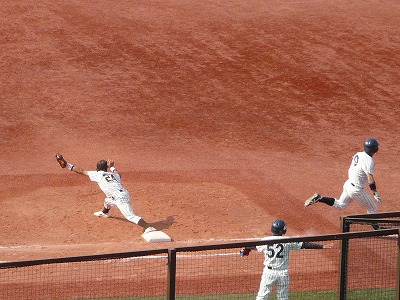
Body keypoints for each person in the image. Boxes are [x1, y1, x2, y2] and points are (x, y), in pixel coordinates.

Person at [55, 153, 156, 234]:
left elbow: (80, 170)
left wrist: (67, 164)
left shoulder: (97, 174)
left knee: (130, 216)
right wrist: (112, 167)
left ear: (97, 168)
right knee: (107, 200)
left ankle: (147, 226)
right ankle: (105, 212)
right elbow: (118, 173)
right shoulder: (113, 175)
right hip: (123, 193)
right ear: (106, 168)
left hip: (120, 197)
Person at [240, 219, 331, 300]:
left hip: (269, 273)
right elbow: (304, 244)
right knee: (283, 298)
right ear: (283, 230)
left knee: (262, 297)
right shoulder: (287, 241)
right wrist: (322, 246)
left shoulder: (265, 240)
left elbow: (251, 245)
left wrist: (245, 250)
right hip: (283, 274)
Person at [304, 138, 382, 220]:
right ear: (375, 149)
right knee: (372, 209)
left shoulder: (359, 154)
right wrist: (375, 193)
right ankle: (379, 230)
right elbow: (370, 177)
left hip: (348, 184)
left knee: (341, 205)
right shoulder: (369, 161)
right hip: (356, 190)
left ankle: (320, 198)